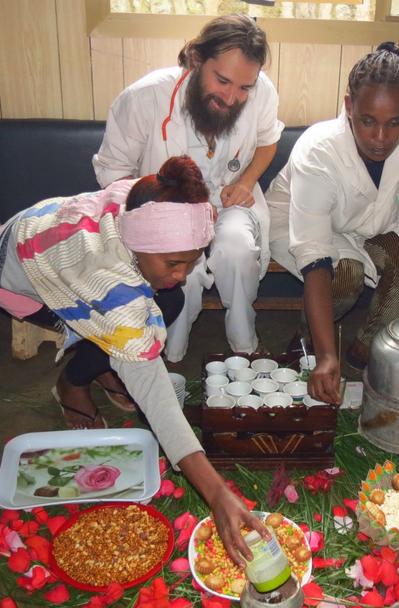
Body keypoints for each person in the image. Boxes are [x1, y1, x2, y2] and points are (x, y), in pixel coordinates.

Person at [0, 155, 268, 564]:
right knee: (134, 332)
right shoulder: (106, 279)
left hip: (44, 229)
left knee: (170, 299)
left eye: (190, 262)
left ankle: (107, 361)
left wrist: (166, 275)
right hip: (22, 271)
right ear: (138, 245)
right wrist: (217, 493)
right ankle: (72, 385)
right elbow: (155, 392)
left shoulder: (142, 200)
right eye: (174, 263)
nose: (182, 272)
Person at [93, 14, 284, 362]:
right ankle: (170, 354)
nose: (232, 97)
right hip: (163, 205)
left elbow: (268, 141)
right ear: (196, 59)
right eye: (222, 80)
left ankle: (246, 345)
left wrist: (246, 180)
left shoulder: (261, 91)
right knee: (187, 272)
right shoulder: (143, 98)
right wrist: (166, 209)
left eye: (244, 87)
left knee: (236, 249)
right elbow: (112, 174)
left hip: (230, 196)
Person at [266, 42, 399, 404]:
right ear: (349, 106)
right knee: (343, 277)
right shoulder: (318, 151)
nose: (381, 138)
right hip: (304, 224)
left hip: (372, 222)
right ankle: (310, 344)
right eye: (367, 121)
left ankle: (362, 352)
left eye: (395, 122)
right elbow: (315, 259)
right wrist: (325, 356)